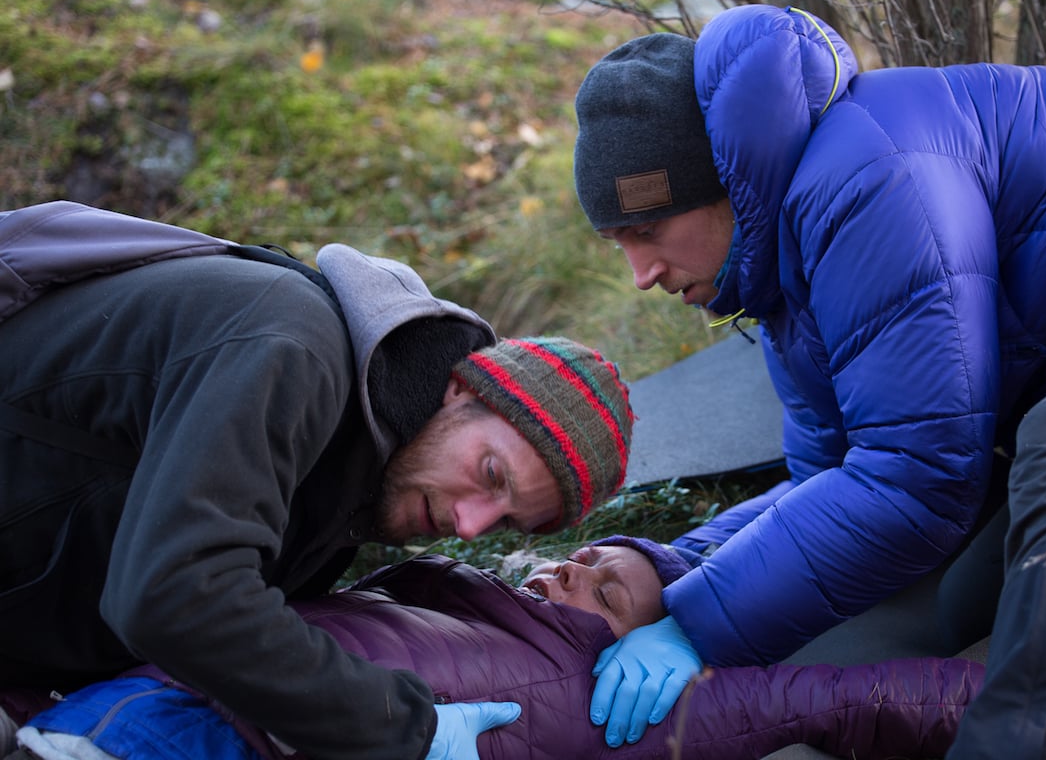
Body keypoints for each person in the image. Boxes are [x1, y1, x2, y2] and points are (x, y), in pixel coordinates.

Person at [570, 2, 1046, 757]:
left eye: (649, 231)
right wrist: (672, 566)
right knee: (962, 582)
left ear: (727, 187)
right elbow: (834, 481)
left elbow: (919, 482)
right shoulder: (779, 274)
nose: (640, 275)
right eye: (617, 244)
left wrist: (697, 623)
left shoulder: (867, 177)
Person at [0, 202, 635, 760]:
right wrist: (406, 729)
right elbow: (175, 595)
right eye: (490, 473)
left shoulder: (361, 484)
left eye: (505, 522)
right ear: (460, 389)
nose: (469, 525)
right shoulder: (292, 347)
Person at [4, 536, 1046, 760]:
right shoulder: (464, 591)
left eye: (608, 580)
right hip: (123, 683)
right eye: (575, 557)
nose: (570, 568)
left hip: (203, 735)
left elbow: (871, 695)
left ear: (657, 628)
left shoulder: (639, 701)